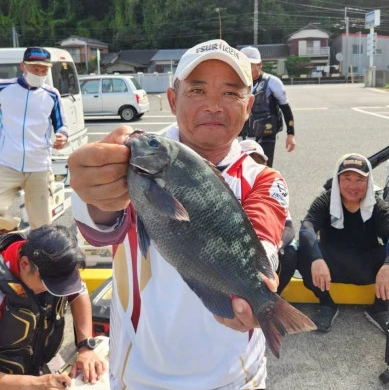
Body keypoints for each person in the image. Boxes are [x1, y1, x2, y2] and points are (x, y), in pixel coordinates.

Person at [69, 39, 290, 389]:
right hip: (139, 377)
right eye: (198, 90)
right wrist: (94, 188)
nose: (214, 106)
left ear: (248, 107)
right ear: (173, 99)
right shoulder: (130, 160)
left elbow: (264, 236)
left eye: (231, 93)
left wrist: (261, 286)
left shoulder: (263, 178)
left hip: (236, 379)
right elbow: (98, 227)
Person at [0, 224, 106, 389]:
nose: (55, 291)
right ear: (25, 264)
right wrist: (35, 383)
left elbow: (78, 293)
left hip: (41, 361)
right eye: (49, 285)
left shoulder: (56, 261)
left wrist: (86, 346)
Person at [298, 153, 389, 332]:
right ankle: (327, 304)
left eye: (359, 180)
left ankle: (380, 307)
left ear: (368, 182)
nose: (352, 186)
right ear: (338, 180)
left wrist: (387, 265)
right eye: (347, 178)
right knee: (300, 251)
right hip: (331, 266)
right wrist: (316, 259)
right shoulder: (325, 201)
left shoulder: (377, 206)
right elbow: (306, 228)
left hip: (366, 265)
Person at [0, 47, 68, 233]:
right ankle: (11, 226)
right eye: (34, 68)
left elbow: (61, 125)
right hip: (6, 163)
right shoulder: (3, 88)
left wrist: (63, 136)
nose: (39, 73)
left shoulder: (52, 94)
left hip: (39, 166)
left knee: (42, 226)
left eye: (44, 69)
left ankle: (38, 260)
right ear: (23, 66)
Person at [240, 139, 298, 295]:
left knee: (291, 254)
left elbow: (289, 227)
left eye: (257, 161)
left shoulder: (272, 185)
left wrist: (277, 244)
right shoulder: (232, 184)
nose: (253, 165)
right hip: (240, 245)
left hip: (268, 245)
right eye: (247, 161)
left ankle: (274, 295)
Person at [238, 46, 295, 167]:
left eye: (250, 65)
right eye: (244, 64)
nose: (246, 68)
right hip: (242, 135)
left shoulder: (272, 82)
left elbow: (285, 108)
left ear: (259, 65)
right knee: (242, 169)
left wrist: (291, 134)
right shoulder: (236, 83)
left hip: (266, 134)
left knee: (264, 169)